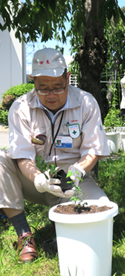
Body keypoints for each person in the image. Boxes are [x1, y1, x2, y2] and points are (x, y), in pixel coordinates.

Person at [0, 48, 110, 263]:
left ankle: (62, 221)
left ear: (68, 78)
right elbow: (22, 156)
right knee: (1, 159)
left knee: (100, 213)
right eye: (43, 88)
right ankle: (24, 235)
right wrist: (38, 179)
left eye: (58, 87)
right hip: (34, 181)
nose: (50, 95)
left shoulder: (86, 103)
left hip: (75, 179)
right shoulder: (20, 108)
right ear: (33, 81)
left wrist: (78, 170)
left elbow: (93, 149)